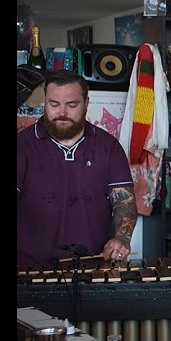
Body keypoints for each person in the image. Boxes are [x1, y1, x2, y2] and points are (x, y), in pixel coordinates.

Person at [18, 71, 136, 268]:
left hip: (94, 267)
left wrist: (122, 238)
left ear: (86, 103)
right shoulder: (22, 145)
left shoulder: (108, 146)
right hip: (29, 270)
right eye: (53, 104)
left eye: (71, 105)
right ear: (45, 102)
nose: (62, 112)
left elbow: (124, 202)